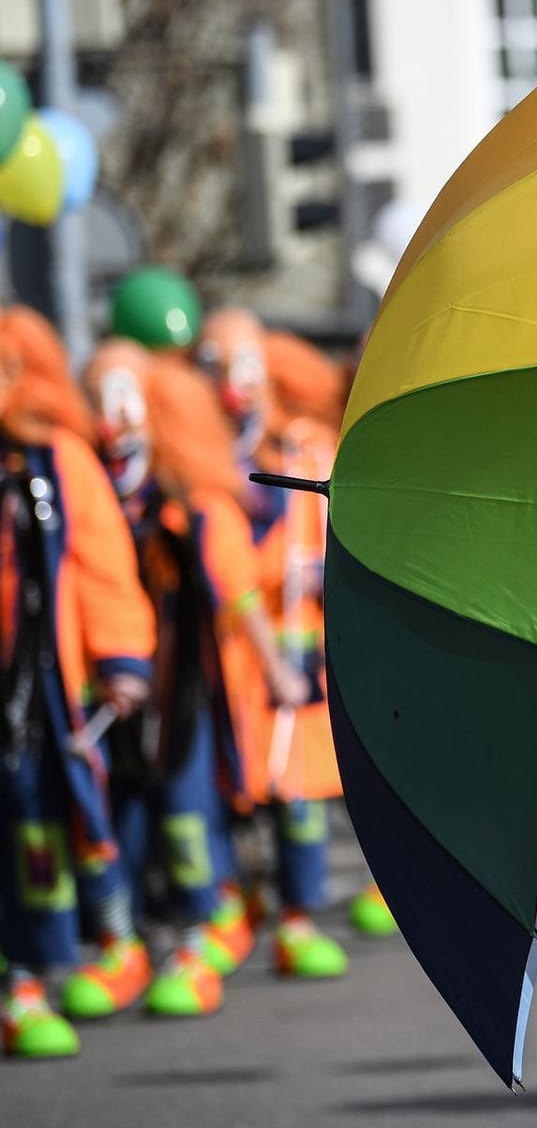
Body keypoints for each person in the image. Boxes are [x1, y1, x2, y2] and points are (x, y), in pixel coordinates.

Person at [73, 341, 306, 1017]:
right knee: (123, 819)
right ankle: (130, 941)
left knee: (187, 810)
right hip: (119, 693)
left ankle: (209, 925)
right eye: (100, 400)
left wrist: (275, 670)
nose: (112, 421)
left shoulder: (197, 505)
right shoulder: (90, 496)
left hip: (192, 694)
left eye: (125, 401)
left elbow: (236, 594)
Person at [196, 312, 375, 973]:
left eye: (242, 367)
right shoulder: (201, 460)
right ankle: (231, 907)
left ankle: (296, 918)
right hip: (224, 659)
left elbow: (339, 532)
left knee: (297, 787)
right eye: (215, 367)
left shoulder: (304, 449)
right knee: (223, 791)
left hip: (297, 649)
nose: (231, 385)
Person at [0, 309, 155, 1059]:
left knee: (85, 819)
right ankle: (27, 972)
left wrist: (122, 660)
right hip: (9, 690)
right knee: (23, 832)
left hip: (58, 688)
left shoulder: (62, 461)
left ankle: (116, 944)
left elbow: (101, 567)